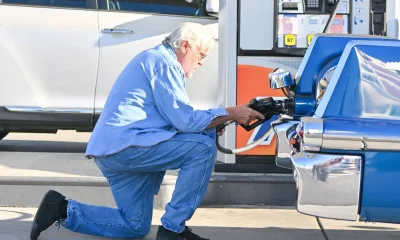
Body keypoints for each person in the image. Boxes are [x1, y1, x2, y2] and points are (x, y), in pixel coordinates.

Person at [30, 22, 264, 240]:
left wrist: (214, 124)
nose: (201, 62)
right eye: (201, 55)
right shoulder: (164, 63)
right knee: (202, 149)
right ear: (185, 46)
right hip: (127, 148)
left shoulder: (155, 59)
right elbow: (184, 120)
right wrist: (231, 113)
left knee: (135, 226)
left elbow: (174, 119)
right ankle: (173, 229)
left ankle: (60, 208)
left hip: (115, 151)